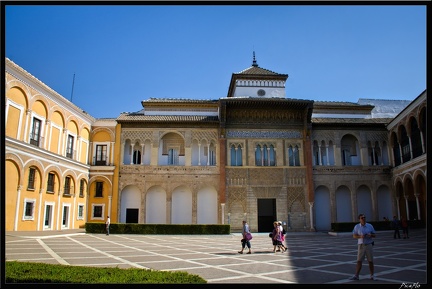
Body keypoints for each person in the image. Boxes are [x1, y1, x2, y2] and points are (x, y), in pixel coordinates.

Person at [349, 214, 376, 281]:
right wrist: (360, 236)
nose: (363, 219)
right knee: (359, 261)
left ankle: (372, 275)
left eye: (364, 217)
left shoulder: (370, 226)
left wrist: (371, 235)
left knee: (370, 261)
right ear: (359, 219)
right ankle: (356, 275)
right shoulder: (357, 227)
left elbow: (375, 235)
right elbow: (354, 236)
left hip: (369, 244)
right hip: (361, 245)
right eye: (362, 218)